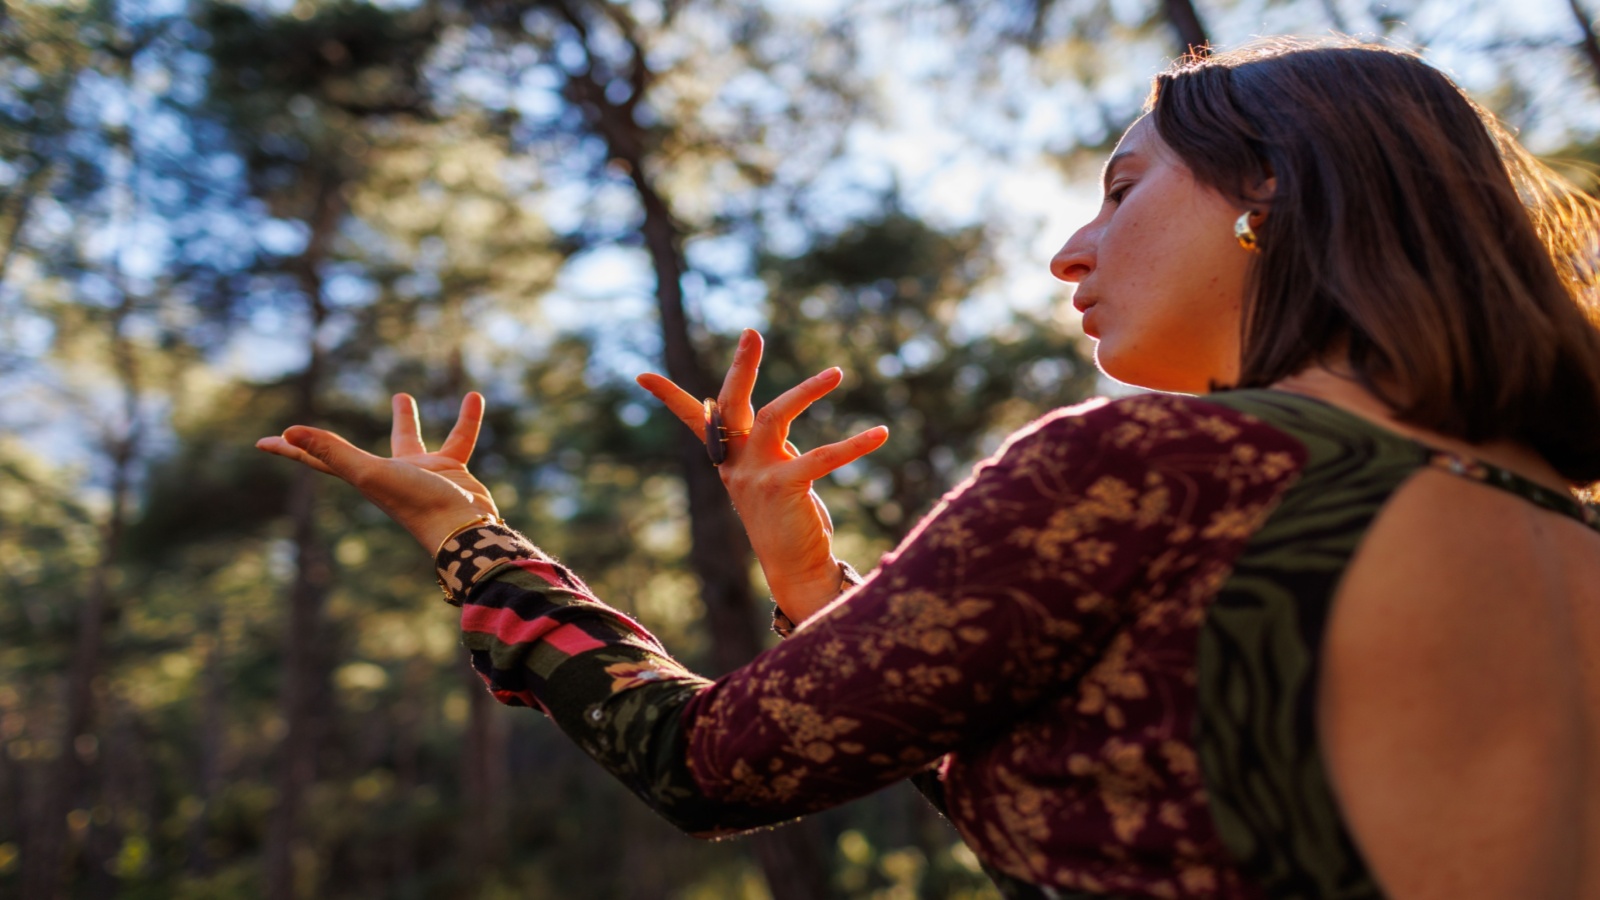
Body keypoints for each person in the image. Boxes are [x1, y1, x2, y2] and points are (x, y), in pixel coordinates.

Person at [256, 38, 1600, 899]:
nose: (1070, 249)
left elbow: (707, 763)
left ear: (1276, 196)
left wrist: (472, 539)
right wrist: (810, 577)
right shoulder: (1566, 526)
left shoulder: (1161, 471)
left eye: (1124, 191)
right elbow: (1138, 783)